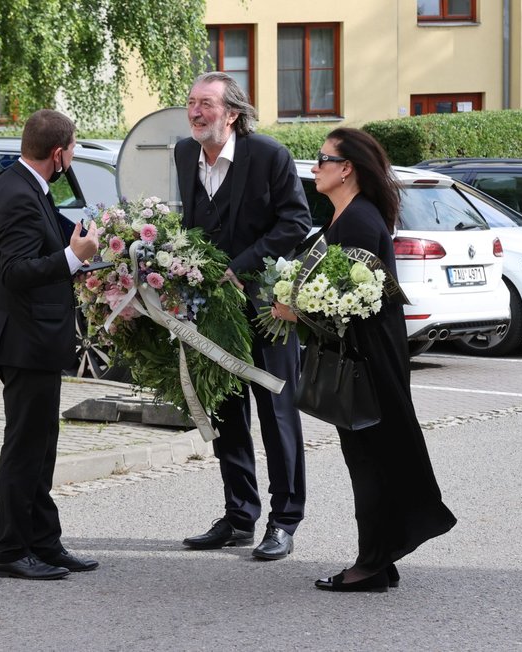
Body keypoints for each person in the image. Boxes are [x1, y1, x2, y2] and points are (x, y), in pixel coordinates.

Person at [272, 127, 457, 592]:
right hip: (365, 360)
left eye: (321, 159)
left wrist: (296, 309)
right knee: (372, 459)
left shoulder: (358, 221)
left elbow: (352, 304)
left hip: (367, 364)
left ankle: (371, 564)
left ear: (346, 168)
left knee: (371, 461)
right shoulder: (350, 217)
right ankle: (380, 557)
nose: (314, 167)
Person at [174, 72, 312, 560]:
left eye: (206, 104)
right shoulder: (184, 153)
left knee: (276, 414)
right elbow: (192, 222)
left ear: (232, 113)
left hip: (265, 309)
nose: (195, 112)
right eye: (191, 103)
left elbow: (296, 221)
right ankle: (239, 517)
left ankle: (285, 521)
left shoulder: (269, 156)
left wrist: (242, 266)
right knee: (225, 411)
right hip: (209, 311)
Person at [0, 109, 102, 580]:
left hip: (37, 338)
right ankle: (9, 551)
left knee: (41, 446)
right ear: (59, 153)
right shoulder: (16, 195)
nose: (73, 156)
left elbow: (52, 237)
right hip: (24, 341)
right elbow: (17, 270)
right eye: (73, 148)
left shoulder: (30, 186)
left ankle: (44, 543)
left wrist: (89, 244)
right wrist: (74, 256)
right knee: (25, 449)